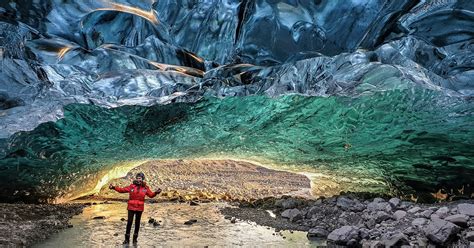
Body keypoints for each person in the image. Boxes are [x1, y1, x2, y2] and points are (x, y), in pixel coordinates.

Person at [109, 172, 162, 244]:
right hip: (131, 207)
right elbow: (122, 190)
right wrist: (113, 187)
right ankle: (126, 240)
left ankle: (135, 240)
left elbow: (151, 195)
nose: (138, 179)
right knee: (129, 223)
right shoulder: (132, 186)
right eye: (137, 178)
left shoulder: (146, 188)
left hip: (139, 208)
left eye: (139, 178)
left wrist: (156, 192)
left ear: (143, 179)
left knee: (137, 223)